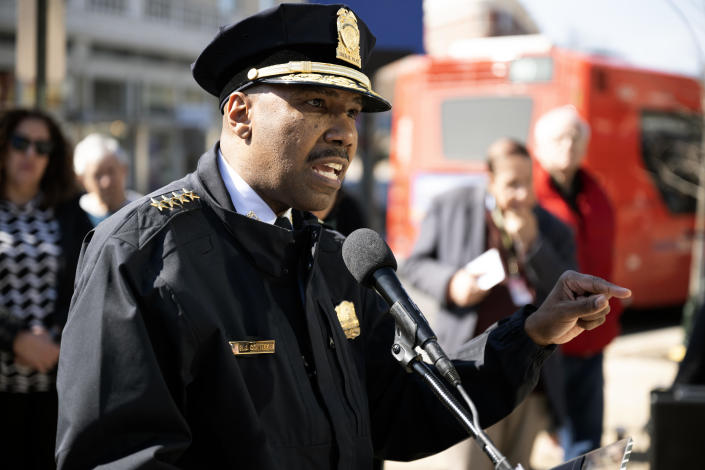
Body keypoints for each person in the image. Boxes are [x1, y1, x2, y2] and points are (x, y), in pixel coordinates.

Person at [55, 4, 630, 469]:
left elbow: (397, 412)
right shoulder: (140, 256)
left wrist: (530, 334)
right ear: (239, 114)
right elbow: (121, 459)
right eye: (316, 104)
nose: (344, 132)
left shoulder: (338, 258)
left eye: (353, 111)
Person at [400, 138, 576, 469]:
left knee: (518, 463)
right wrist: (452, 283)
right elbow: (414, 265)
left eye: (528, 183)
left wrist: (534, 245)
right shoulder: (450, 206)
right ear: (489, 178)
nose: (522, 194)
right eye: (512, 184)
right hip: (469, 372)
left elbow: (567, 290)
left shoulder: (552, 229)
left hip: (531, 380)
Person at [0, 108, 92, 469]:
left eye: (42, 147)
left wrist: (54, 334)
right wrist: (15, 337)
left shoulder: (69, 213)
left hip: (52, 387)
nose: (30, 155)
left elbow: (86, 281)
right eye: (21, 143)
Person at [532, 105, 623, 460]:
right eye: (559, 139)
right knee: (545, 428)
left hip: (593, 332)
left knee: (587, 434)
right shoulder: (531, 194)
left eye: (575, 138)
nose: (568, 146)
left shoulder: (594, 190)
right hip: (549, 335)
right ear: (539, 145)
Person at [73, 133, 140, 226]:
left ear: (124, 170)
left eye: (111, 171)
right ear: (81, 179)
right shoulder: (72, 217)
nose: (106, 182)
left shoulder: (143, 210)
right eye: (97, 175)